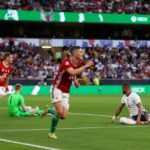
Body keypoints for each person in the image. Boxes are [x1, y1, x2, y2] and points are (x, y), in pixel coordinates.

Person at [41, 46, 93, 139]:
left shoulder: (79, 62)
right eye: (80, 52)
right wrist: (85, 66)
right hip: (57, 88)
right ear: (75, 53)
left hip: (66, 91)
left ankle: (48, 110)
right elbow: (72, 72)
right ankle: (51, 133)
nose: (82, 53)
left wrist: (75, 80)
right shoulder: (66, 61)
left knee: (63, 116)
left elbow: (74, 74)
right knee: (60, 112)